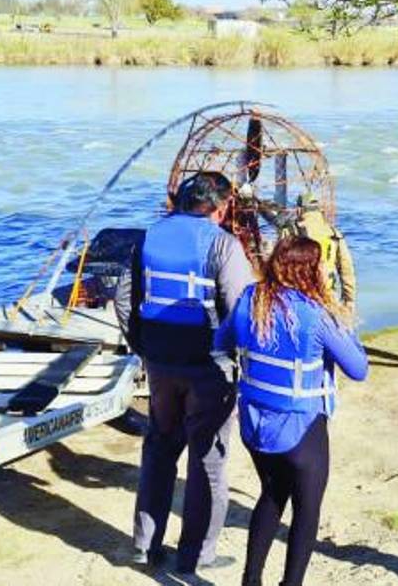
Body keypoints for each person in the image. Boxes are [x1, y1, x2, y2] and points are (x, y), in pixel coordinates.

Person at [116, 171, 256, 574]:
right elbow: (241, 310)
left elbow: (123, 300)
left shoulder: (147, 238)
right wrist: (239, 358)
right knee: (207, 458)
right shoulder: (223, 245)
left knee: (159, 448)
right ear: (218, 206)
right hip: (208, 368)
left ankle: (144, 545)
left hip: (160, 363)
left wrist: (143, 346)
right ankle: (195, 556)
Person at [215, 235, 368, 586]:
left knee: (271, 494)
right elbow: (359, 369)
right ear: (313, 272)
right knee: (306, 509)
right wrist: (345, 324)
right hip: (302, 428)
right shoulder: (316, 315)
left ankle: (250, 580)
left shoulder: (250, 300)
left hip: (255, 424)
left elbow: (220, 343)